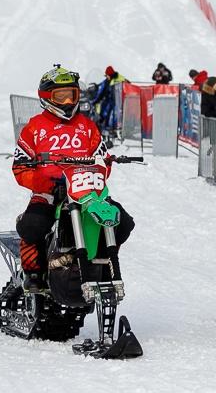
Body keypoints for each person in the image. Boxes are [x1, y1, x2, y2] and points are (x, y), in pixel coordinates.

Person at [12, 66, 133, 292]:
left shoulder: (87, 126)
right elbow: (20, 167)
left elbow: (102, 159)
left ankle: (102, 260)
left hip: (85, 191)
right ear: (47, 97)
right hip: (48, 192)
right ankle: (34, 273)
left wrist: (100, 171)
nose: (68, 101)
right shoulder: (34, 128)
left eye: (72, 95)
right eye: (61, 96)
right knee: (33, 226)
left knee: (123, 221)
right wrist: (43, 182)